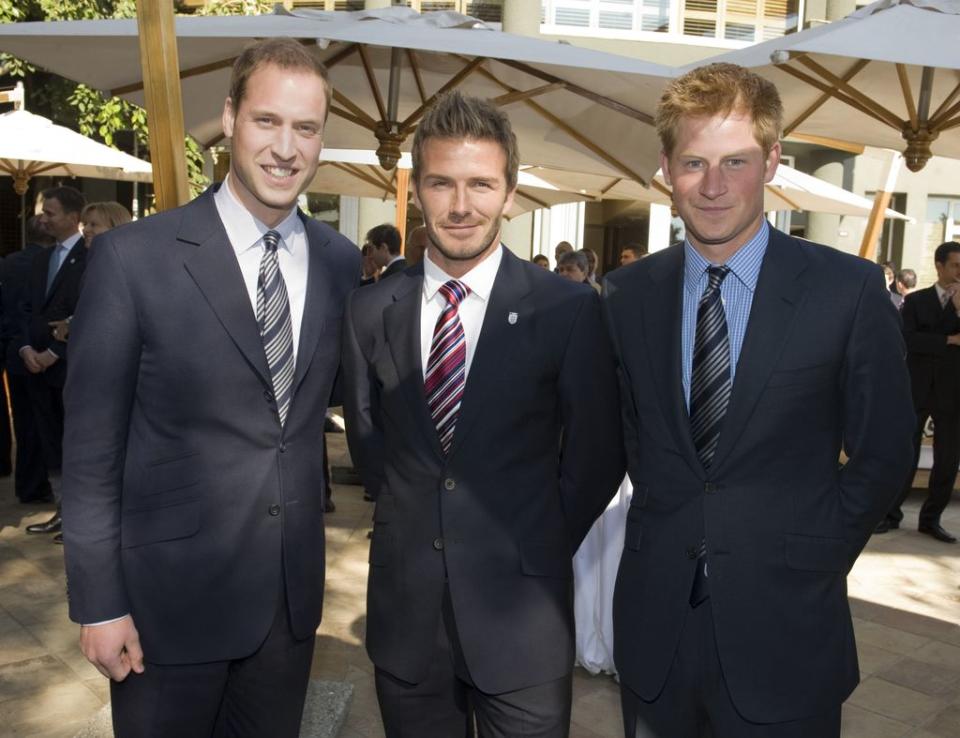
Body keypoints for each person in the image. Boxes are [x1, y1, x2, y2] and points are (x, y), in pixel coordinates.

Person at [603, 63, 914, 738]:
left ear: (773, 160)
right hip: (657, 628)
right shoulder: (626, 295)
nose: (713, 187)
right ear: (665, 168)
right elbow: (635, 440)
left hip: (789, 625)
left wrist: (820, 551)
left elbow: (885, 450)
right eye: (694, 162)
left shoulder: (847, 290)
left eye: (736, 162)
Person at [61, 38, 360, 737]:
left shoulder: (340, 263)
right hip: (166, 612)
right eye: (267, 121)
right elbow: (90, 452)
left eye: (306, 128)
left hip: (286, 612)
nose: (286, 147)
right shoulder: (135, 258)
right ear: (229, 118)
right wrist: (98, 603)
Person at [343, 90, 624, 738]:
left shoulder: (567, 309)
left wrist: (536, 541)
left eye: (480, 184)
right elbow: (367, 439)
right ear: (417, 189)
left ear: (510, 190)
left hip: (524, 618)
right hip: (406, 619)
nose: (461, 205)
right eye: (442, 183)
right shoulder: (366, 310)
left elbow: (598, 452)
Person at [876, 241, 960, 543]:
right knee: (903, 453)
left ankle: (931, 519)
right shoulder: (917, 301)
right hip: (916, 387)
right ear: (939, 266)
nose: (959, 273)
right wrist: (948, 339)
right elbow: (907, 339)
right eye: (955, 266)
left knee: (948, 459)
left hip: (952, 392)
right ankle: (890, 514)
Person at [18, 185, 87, 541]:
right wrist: (26, 348)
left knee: (73, 445)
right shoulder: (42, 259)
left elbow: (88, 314)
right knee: (50, 443)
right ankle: (61, 512)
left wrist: (54, 354)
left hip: (69, 369)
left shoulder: (91, 257)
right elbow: (27, 309)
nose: (42, 218)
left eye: (50, 213)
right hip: (36, 369)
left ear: (74, 218)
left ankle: (76, 516)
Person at [0, 215, 53, 504]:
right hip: (42, 353)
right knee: (44, 424)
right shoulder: (49, 263)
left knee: (23, 422)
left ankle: (26, 483)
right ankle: (39, 484)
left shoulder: (8, 263)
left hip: (14, 352)